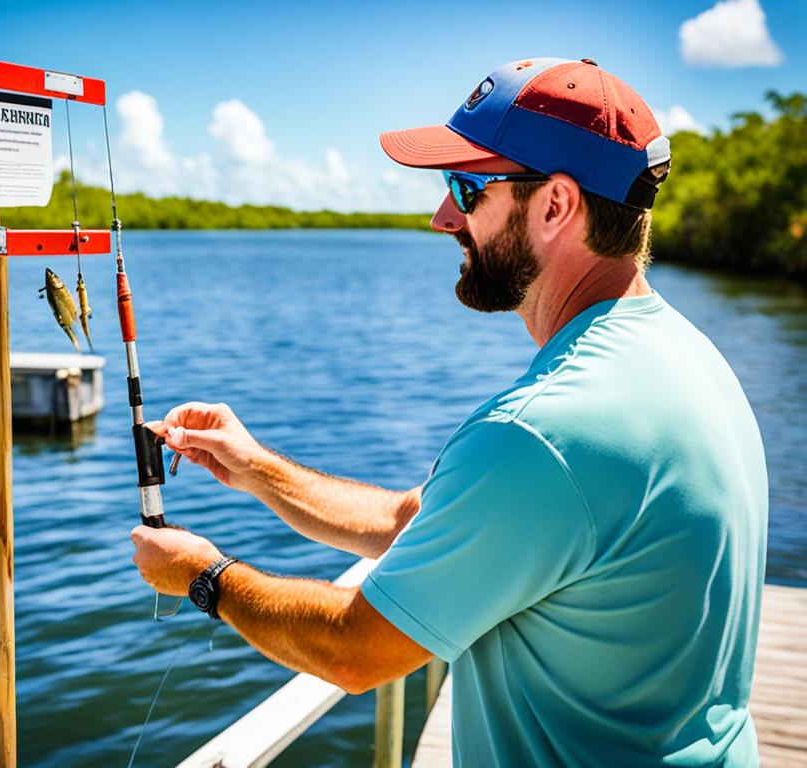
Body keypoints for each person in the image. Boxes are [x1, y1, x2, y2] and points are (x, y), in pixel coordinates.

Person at [131, 57, 768, 766]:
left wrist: (203, 575)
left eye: (465, 188)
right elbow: (424, 521)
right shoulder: (690, 358)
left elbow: (353, 651)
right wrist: (255, 469)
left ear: (556, 205)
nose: (441, 217)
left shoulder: (541, 433)